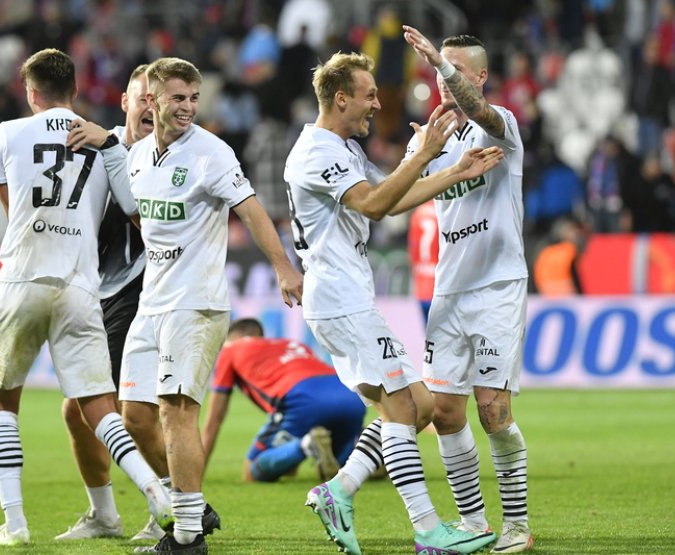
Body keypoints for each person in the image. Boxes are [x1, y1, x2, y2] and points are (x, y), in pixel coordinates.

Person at [284, 51, 502, 555]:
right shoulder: (320, 152)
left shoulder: (338, 148)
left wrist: (454, 172)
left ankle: (338, 490)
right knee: (403, 404)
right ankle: (427, 531)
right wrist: (424, 154)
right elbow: (375, 205)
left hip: (344, 295)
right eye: (368, 95)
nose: (376, 105)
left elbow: (392, 195)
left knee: (417, 404)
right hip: (340, 297)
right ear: (340, 98)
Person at [0, 48, 172, 546]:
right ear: (76, 90)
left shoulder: (6, 133)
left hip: (24, 276)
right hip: (81, 285)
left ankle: (16, 525)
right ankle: (157, 493)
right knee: (98, 407)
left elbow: (12, 205)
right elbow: (134, 211)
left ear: (31, 91)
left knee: (3, 400)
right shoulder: (103, 143)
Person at [119, 57, 303, 555]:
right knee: (134, 416)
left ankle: (186, 538)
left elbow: (252, 211)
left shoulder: (212, 154)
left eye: (194, 98)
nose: (188, 108)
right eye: (178, 98)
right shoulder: (137, 156)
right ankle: (191, 504)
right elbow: (145, 221)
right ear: (151, 99)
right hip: (151, 303)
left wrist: (284, 267)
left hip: (195, 305)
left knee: (175, 411)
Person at [56, 64, 217, 543]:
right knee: (78, 411)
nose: (150, 105)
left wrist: (107, 144)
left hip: (144, 291)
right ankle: (108, 513)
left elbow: (147, 220)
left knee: (135, 411)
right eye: (141, 98)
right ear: (126, 103)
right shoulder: (95, 152)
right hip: (95, 292)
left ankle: (175, 503)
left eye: (156, 98)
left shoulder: (154, 158)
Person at [403, 26, 535, 553]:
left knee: (493, 411)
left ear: (478, 76)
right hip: (448, 290)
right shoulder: (428, 136)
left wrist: (440, 59)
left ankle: (518, 526)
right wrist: (420, 154)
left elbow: (478, 112)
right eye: (436, 70)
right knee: (445, 410)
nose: (441, 78)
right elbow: (404, 195)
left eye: (452, 69)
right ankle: (474, 522)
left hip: (498, 285)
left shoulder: (500, 125)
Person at [202, 318, 366, 483]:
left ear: (231, 338)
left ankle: (307, 444)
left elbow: (214, 420)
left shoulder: (230, 350)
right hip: (350, 396)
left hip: (304, 399)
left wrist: (197, 470)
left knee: (251, 472)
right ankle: (364, 445)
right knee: (336, 467)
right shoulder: (293, 344)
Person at [407, 201, 439, 323]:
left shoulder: (418, 213)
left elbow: (412, 249)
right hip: (441, 284)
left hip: (421, 284)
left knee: (429, 336)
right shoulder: (444, 211)